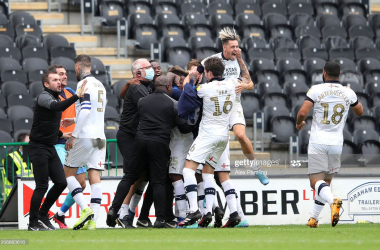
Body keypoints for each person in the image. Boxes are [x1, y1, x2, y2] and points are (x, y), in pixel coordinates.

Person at [107, 75, 192, 228]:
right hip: (159, 143)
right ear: (168, 87)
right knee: (158, 181)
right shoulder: (173, 104)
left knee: (129, 177)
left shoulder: (142, 101)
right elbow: (184, 127)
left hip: (139, 142)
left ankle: (114, 209)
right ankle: (160, 219)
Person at [296, 61, 363, 228]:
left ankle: (333, 201)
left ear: (324, 73)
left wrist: (299, 123)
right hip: (336, 143)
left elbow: (303, 112)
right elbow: (360, 111)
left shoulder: (316, 89)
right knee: (325, 182)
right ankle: (314, 218)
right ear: (339, 74)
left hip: (318, 141)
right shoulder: (348, 92)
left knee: (315, 183)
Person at [179, 57, 240, 228]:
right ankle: (216, 212)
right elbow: (245, 80)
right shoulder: (232, 84)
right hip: (223, 136)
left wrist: (192, 77)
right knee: (208, 173)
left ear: (209, 73)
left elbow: (189, 91)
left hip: (208, 134)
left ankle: (193, 209)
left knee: (188, 170)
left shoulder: (204, 88)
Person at [28, 68, 86, 231]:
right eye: (54, 80)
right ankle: (32, 224)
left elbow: (46, 122)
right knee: (42, 186)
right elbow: (55, 108)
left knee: (61, 182)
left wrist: (62, 134)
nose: (59, 82)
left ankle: (43, 215)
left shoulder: (56, 96)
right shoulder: (45, 97)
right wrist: (77, 96)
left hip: (49, 146)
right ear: (46, 84)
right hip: (38, 147)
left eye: (59, 80)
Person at [61, 54, 107, 230]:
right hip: (100, 137)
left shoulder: (83, 84)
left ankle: (85, 209)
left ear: (78, 68)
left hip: (86, 136)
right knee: (95, 177)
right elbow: (93, 112)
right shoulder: (100, 84)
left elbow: (86, 111)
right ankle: (93, 222)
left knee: (69, 173)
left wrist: (74, 134)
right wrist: (73, 120)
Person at [114, 58, 156, 228]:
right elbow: (152, 106)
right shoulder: (137, 88)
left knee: (144, 174)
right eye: (147, 67)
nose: (151, 69)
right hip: (129, 136)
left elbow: (122, 94)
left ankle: (130, 212)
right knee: (132, 174)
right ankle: (123, 213)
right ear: (138, 72)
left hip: (138, 136)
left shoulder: (143, 86)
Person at [46, 65, 87, 229]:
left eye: (64, 73)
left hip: (75, 144)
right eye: (59, 74)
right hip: (59, 144)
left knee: (82, 183)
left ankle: (60, 214)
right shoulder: (51, 98)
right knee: (65, 178)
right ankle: (42, 213)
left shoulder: (71, 92)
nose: (64, 76)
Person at [1, 133, 33, 201]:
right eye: (28, 143)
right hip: (13, 197)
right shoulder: (10, 158)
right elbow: (11, 178)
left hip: (29, 195)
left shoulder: (32, 157)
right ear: (21, 145)